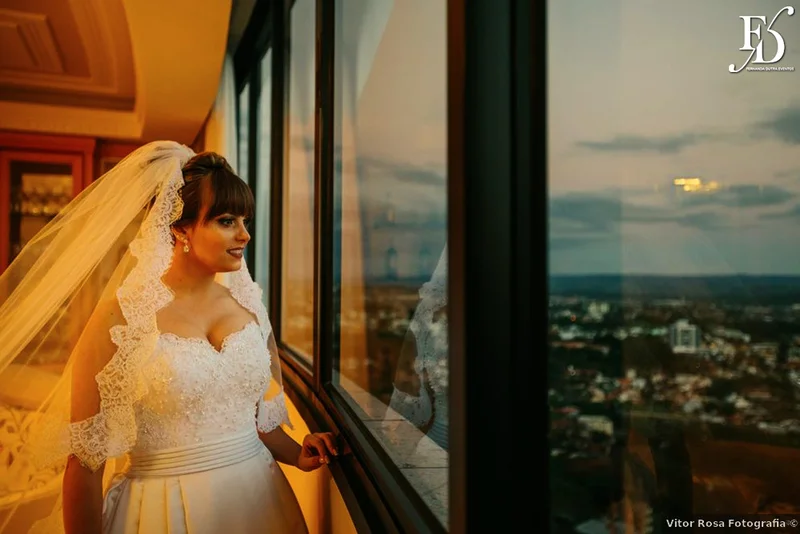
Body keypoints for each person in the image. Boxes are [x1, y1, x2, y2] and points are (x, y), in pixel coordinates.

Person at [0, 141, 337, 534]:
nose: (245, 235)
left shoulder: (247, 306)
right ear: (179, 227)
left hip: (260, 501)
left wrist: (299, 454)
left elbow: (254, 421)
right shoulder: (120, 318)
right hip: (165, 510)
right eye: (227, 220)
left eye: (246, 221)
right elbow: (87, 461)